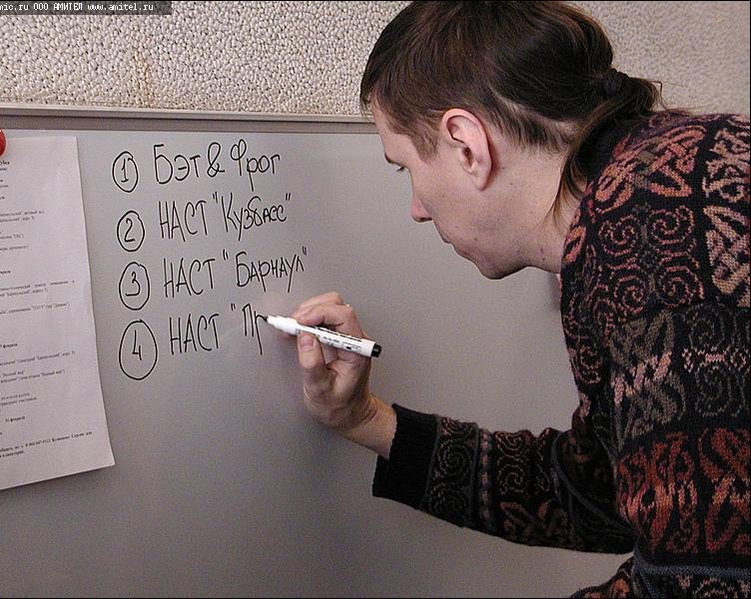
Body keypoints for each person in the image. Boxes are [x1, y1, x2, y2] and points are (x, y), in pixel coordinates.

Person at [289, 2, 750, 597]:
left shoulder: (652, 230)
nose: (417, 209)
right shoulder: (669, 174)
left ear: (466, 145)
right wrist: (365, 419)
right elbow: (600, 490)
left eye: (405, 168)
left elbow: (702, 583)